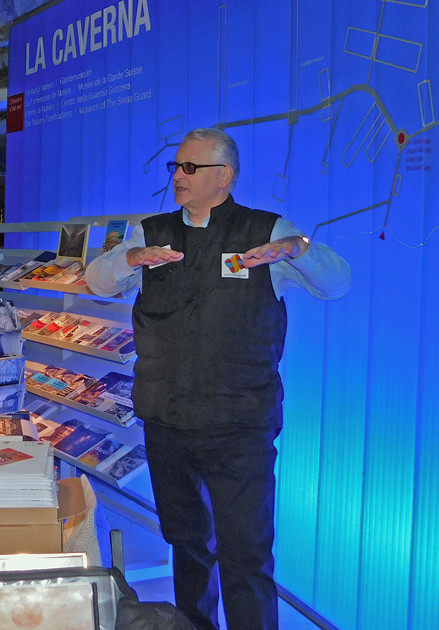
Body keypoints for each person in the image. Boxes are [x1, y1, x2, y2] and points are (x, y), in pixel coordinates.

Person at [85, 128, 351, 630]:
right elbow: (97, 280)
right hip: (168, 420)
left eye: (190, 168)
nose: (177, 177)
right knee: (186, 542)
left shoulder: (267, 231)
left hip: (240, 426)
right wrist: (130, 258)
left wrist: (298, 248)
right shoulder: (151, 231)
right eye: (176, 167)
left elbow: (337, 283)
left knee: (245, 554)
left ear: (223, 176)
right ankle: (193, 624)